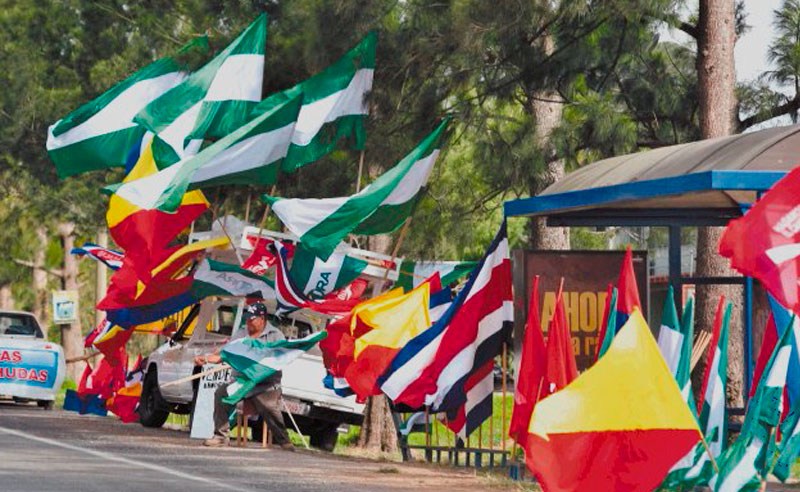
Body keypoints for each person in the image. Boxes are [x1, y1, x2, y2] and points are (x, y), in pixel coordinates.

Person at [194, 302, 293, 450]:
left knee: (268, 406)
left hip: (265, 384)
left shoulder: (275, 335)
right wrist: (207, 359)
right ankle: (221, 435)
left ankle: (284, 441)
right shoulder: (241, 333)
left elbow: (282, 358)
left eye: (251, 319)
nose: (248, 322)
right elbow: (227, 353)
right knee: (222, 393)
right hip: (242, 380)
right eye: (247, 318)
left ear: (262, 319)